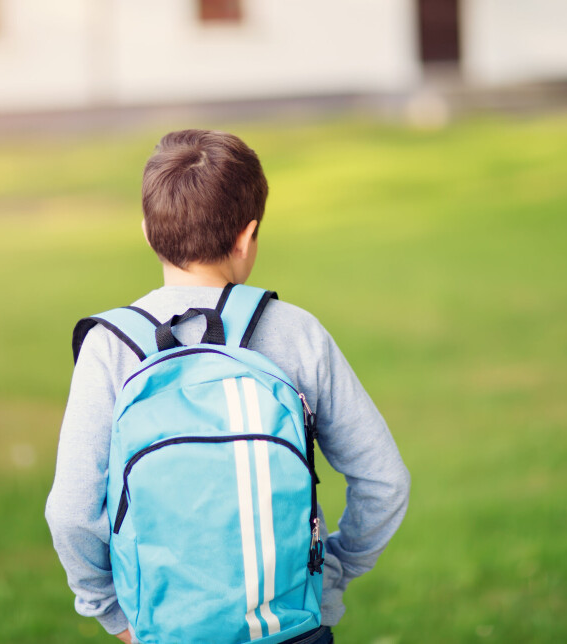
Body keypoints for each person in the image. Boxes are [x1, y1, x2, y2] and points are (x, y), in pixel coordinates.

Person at [45, 129, 411, 643]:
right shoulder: (296, 332)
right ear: (247, 236)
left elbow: (70, 513)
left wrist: (113, 613)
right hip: (290, 625)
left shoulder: (110, 347)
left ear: (149, 231)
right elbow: (385, 481)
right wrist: (330, 573)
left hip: (163, 628)